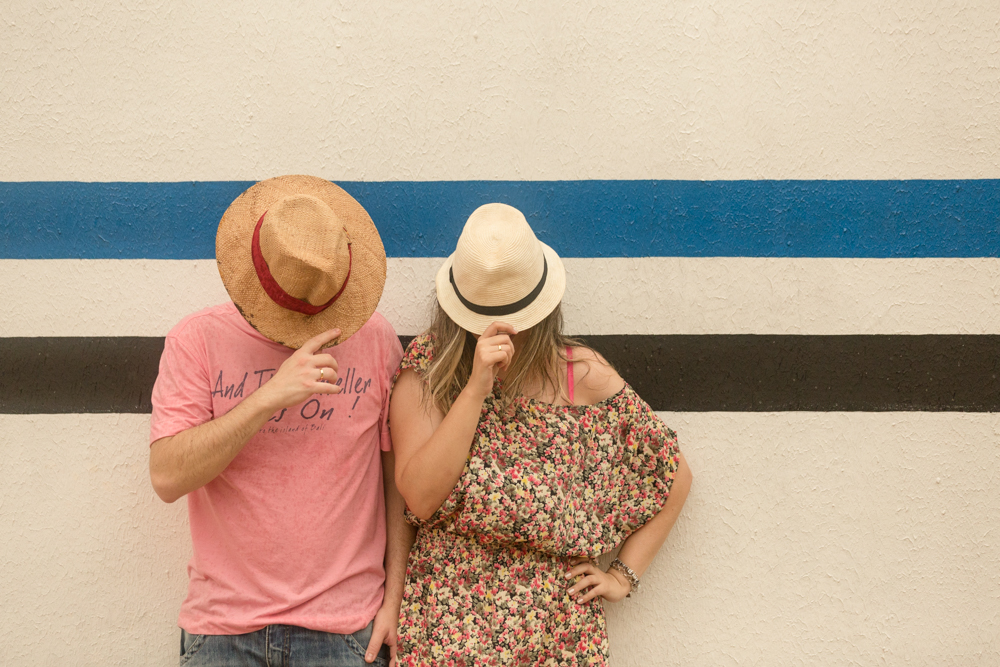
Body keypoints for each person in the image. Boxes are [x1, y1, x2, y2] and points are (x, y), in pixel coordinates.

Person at [389, 203, 693, 666]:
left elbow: (672, 475)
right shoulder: (429, 369)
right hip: (446, 627)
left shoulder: (578, 373)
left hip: (555, 634)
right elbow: (420, 496)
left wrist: (623, 576)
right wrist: (475, 388)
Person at [148, 175, 414, 667]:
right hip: (225, 633)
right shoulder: (196, 340)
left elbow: (395, 481)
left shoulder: (374, 340)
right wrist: (268, 398)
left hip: (347, 631)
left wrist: (395, 598)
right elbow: (166, 477)